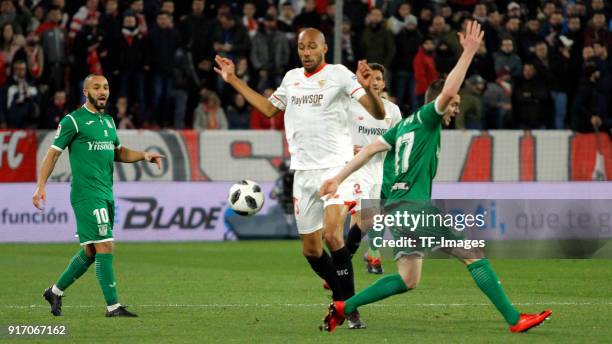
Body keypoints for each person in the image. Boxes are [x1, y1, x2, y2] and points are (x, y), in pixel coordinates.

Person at [319, 21, 552, 334]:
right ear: (437, 102)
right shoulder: (428, 117)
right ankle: (514, 319)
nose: (454, 109)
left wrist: (336, 178)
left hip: (394, 209)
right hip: (414, 207)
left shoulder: (401, 126)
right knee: (472, 254)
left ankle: (343, 306)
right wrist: (468, 52)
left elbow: (368, 151)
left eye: (454, 105)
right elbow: (449, 88)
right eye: (452, 105)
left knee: (407, 278)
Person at [214, 28, 386, 328]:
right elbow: (269, 109)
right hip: (303, 173)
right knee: (311, 249)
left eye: (311, 47)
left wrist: (368, 87)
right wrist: (233, 80)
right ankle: (341, 297)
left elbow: (378, 113)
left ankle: (349, 308)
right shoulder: (291, 78)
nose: (306, 52)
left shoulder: (340, 75)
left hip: (336, 170)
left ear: (324, 48)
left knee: (333, 234)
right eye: (301, 47)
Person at [33, 74, 164, 317]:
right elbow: (52, 154)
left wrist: (145, 155)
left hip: (106, 193)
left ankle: (55, 291)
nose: (103, 91)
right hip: (86, 194)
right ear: (86, 92)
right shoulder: (73, 120)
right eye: (97, 87)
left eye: (105, 87)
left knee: (91, 251)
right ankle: (113, 307)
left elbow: (119, 152)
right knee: (105, 245)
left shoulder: (109, 122)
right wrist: (41, 186)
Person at [343, 63, 402, 275]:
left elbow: (399, 140)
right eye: (370, 77)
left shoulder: (392, 110)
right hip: (355, 169)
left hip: (380, 169)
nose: (374, 82)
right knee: (362, 218)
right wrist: (347, 148)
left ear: (384, 83)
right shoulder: (349, 105)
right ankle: (344, 263)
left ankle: (364, 254)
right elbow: (333, 131)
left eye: (378, 78)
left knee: (369, 219)